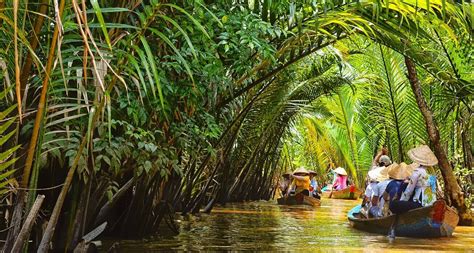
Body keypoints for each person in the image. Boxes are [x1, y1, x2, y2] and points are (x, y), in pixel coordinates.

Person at [390, 145, 438, 214]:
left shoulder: (417, 171)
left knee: (393, 204)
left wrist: (402, 202)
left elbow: (409, 190)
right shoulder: (432, 173)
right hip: (432, 204)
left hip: (420, 204)